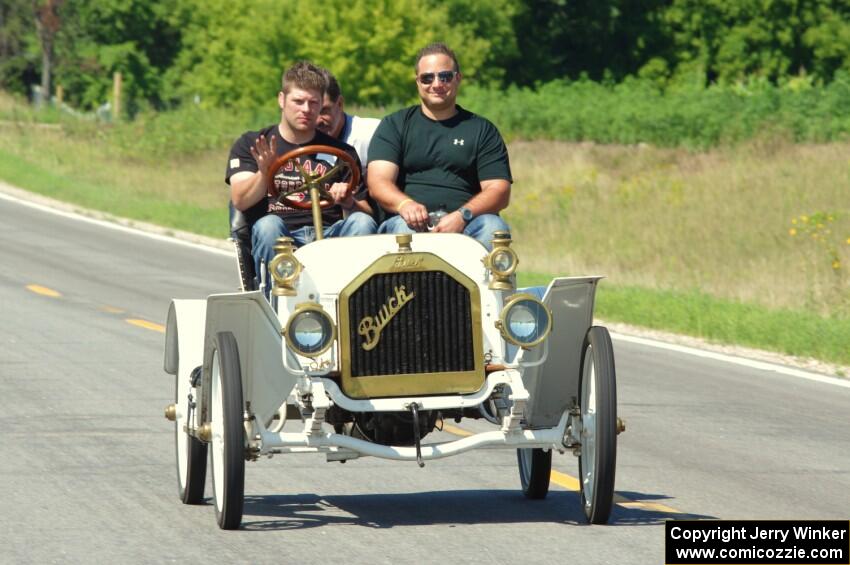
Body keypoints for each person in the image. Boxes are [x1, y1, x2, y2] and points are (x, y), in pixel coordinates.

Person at [226, 61, 376, 289]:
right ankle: (275, 302)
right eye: (298, 101)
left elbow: (367, 212)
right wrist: (264, 173)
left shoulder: (342, 153)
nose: (306, 109)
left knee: (362, 222)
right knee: (268, 226)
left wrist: (348, 201)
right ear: (281, 100)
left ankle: (352, 301)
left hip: (330, 234)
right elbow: (240, 200)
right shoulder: (253, 144)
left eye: (313, 103)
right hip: (281, 234)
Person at [367, 43, 512, 250]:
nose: (436, 84)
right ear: (417, 81)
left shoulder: (482, 129)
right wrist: (405, 205)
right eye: (427, 78)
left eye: (445, 76)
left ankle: (484, 283)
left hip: (467, 225)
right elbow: (378, 181)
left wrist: (463, 215)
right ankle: (411, 284)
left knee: (494, 227)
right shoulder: (394, 125)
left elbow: (499, 190)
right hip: (408, 224)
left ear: (457, 78)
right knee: (402, 230)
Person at [316, 68, 380, 170]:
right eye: (311, 111)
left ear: (340, 104)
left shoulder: (373, 135)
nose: (317, 120)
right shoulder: (293, 141)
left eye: (324, 110)